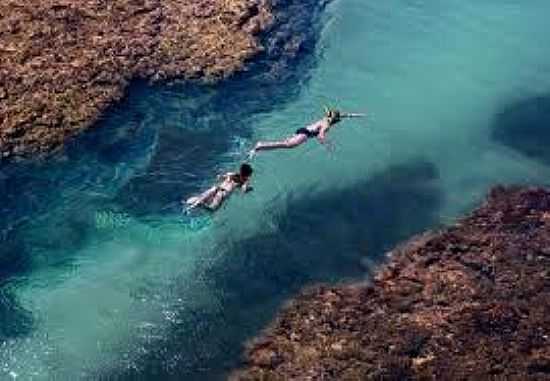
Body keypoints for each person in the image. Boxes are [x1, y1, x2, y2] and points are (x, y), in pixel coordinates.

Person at [248, 108, 366, 158]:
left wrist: (355, 115)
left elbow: (343, 115)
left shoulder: (326, 119)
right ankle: (260, 146)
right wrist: (327, 144)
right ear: (334, 120)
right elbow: (320, 136)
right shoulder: (326, 124)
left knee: (285, 143)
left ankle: (261, 147)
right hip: (305, 135)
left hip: (303, 130)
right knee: (286, 145)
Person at [184, 163, 253, 212]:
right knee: (212, 209)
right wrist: (249, 189)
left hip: (216, 188)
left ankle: (191, 206)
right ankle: (200, 205)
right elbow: (244, 190)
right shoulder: (244, 182)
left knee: (199, 199)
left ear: (240, 171)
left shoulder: (232, 174)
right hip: (223, 194)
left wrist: (221, 176)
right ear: (247, 175)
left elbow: (220, 176)